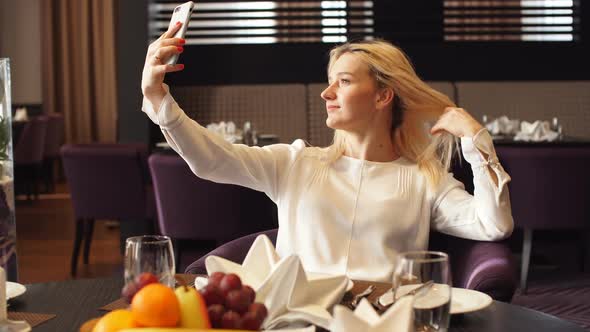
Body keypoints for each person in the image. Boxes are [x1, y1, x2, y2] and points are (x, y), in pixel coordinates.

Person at [141, 23, 513, 282]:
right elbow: (211, 158)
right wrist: (159, 98)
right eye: (329, 81)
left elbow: (493, 224)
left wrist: (477, 140)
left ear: (383, 95)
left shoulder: (424, 179)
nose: (327, 93)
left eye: (344, 81)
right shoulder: (297, 164)